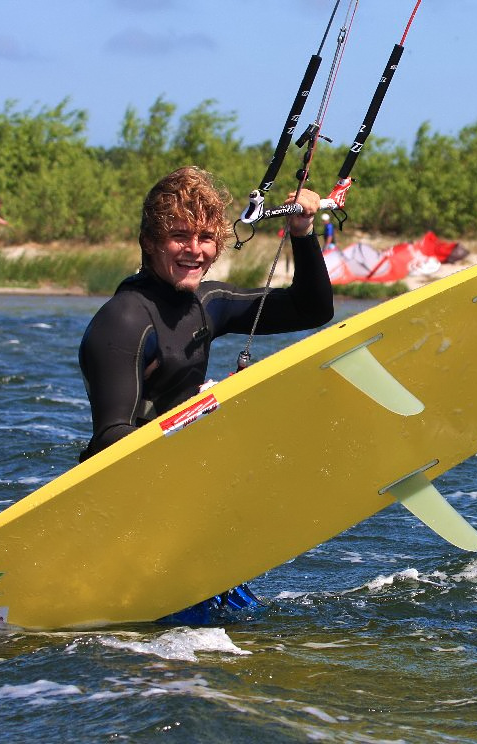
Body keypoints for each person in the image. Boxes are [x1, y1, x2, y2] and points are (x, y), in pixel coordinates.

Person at [78, 166, 334, 622]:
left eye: (205, 237)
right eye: (179, 236)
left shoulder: (207, 305)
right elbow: (109, 440)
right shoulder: (123, 320)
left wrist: (302, 231)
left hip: (184, 523)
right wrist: (201, 415)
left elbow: (312, 308)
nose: (194, 250)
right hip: (124, 524)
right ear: (150, 241)